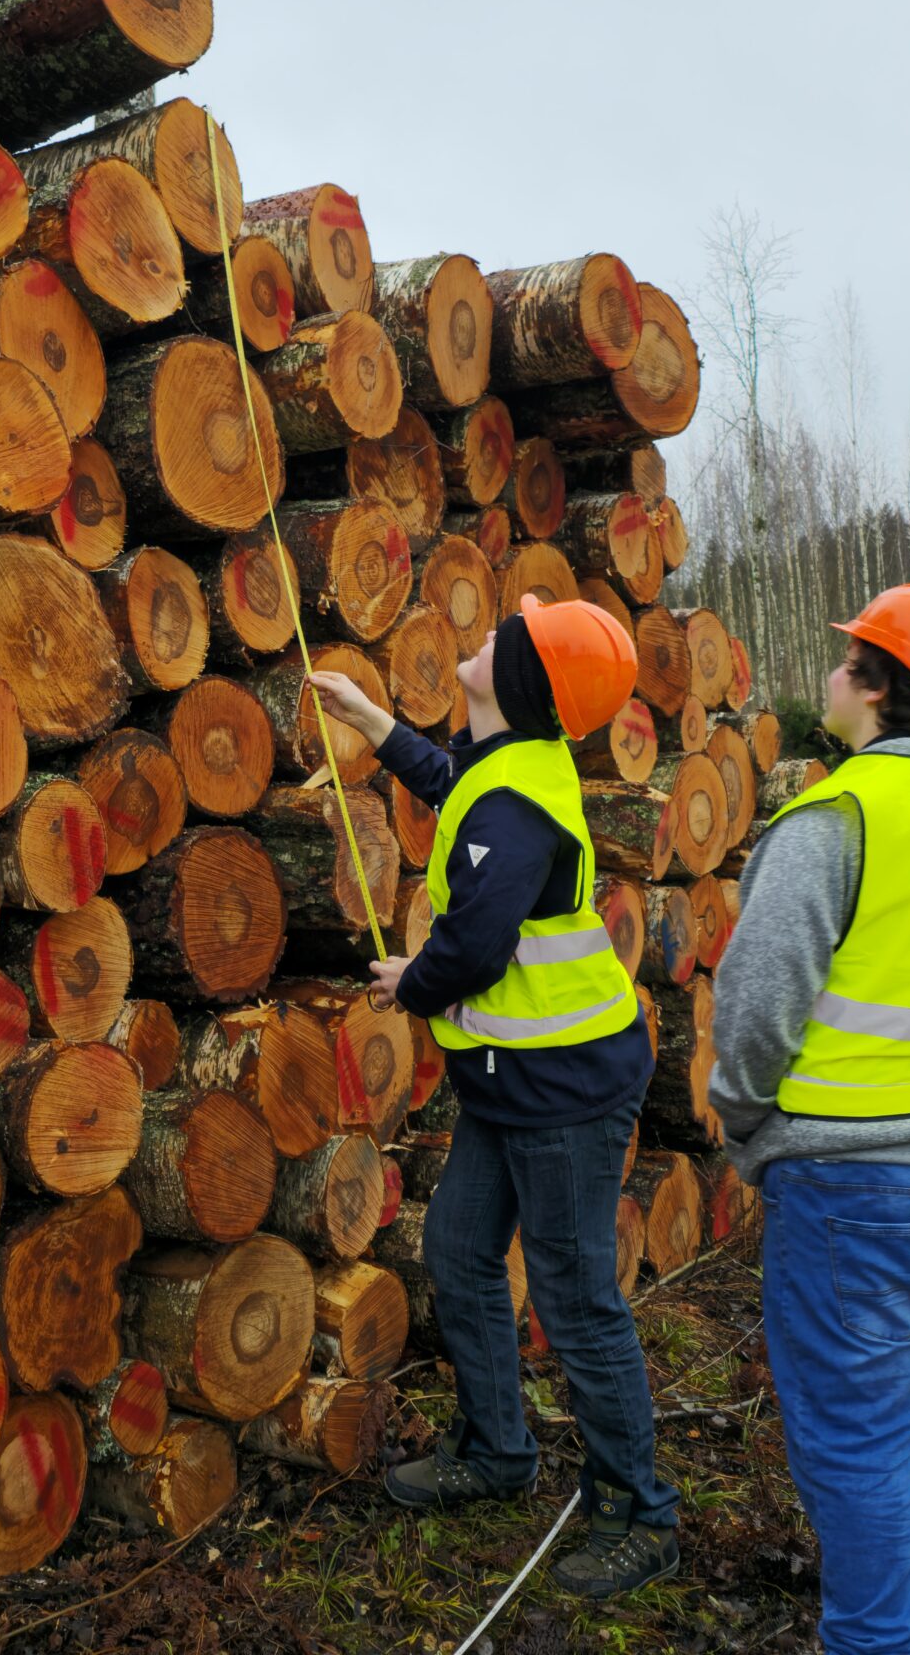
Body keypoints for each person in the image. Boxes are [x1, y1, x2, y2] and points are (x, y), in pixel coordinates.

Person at [310, 595, 679, 1599]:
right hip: (514, 1081)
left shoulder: (515, 804)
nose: (479, 641)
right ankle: (498, 1451)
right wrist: (370, 721)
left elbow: (473, 943)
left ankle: (639, 1512)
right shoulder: (510, 764)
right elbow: (452, 784)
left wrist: (411, 984)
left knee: (574, 1298)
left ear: (515, 685)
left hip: (562, 1086)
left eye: (497, 644)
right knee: (460, 1250)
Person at [710, 581, 910, 1655]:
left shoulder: (836, 817)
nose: (833, 675)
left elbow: (753, 1012)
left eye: (848, 661)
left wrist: (744, 1124)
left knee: (863, 1449)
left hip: (860, 1194)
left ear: (877, 686)